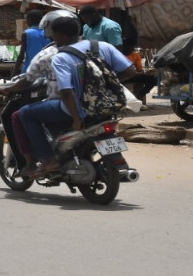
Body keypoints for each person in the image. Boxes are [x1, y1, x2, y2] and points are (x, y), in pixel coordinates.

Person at [18, 16, 135, 177]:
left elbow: (66, 91)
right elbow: (130, 71)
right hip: (107, 107)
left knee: (25, 113)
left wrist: (76, 118)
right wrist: (104, 83)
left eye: (53, 35)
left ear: (58, 34)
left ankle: (48, 160)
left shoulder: (61, 57)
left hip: (76, 109)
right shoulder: (102, 46)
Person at [0, 10, 75, 177]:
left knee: (22, 115)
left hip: (62, 102)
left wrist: (9, 87)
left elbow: (28, 78)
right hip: (95, 104)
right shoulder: (94, 47)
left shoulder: (50, 54)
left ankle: (43, 161)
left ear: (54, 31)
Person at [14, 9, 48, 75]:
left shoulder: (26, 33)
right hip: (45, 71)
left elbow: (21, 55)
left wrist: (14, 72)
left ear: (29, 19)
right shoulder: (47, 32)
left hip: (30, 70)